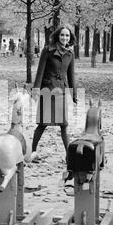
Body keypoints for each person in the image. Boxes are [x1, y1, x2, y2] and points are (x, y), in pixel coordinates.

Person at [30, 24, 77, 162]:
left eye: (67, 35)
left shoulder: (70, 53)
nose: (64, 37)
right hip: (47, 90)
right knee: (43, 124)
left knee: (64, 124)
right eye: (62, 35)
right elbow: (40, 71)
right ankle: (32, 152)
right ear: (57, 36)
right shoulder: (47, 50)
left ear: (70, 38)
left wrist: (73, 94)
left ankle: (69, 156)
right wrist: (36, 91)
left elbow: (71, 75)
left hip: (61, 92)